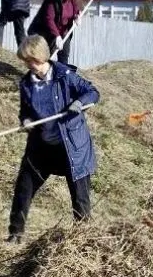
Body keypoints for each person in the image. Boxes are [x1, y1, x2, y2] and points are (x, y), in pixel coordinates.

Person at [7, 35, 99, 243]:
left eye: (33, 61)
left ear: (42, 57)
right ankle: (15, 234)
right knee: (24, 188)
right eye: (26, 62)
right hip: (41, 148)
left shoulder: (65, 76)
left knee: (80, 199)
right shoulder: (26, 83)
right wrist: (26, 121)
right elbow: (25, 112)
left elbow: (93, 92)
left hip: (72, 148)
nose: (30, 66)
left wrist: (80, 103)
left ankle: (83, 240)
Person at [28, 0, 82, 65]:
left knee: (64, 55)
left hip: (64, 31)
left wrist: (77, 17)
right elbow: (49, 18)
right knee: (45, 56)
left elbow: (76, 10)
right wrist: (57, 36)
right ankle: (40, 75)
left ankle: (62, 77)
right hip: (47, 30)